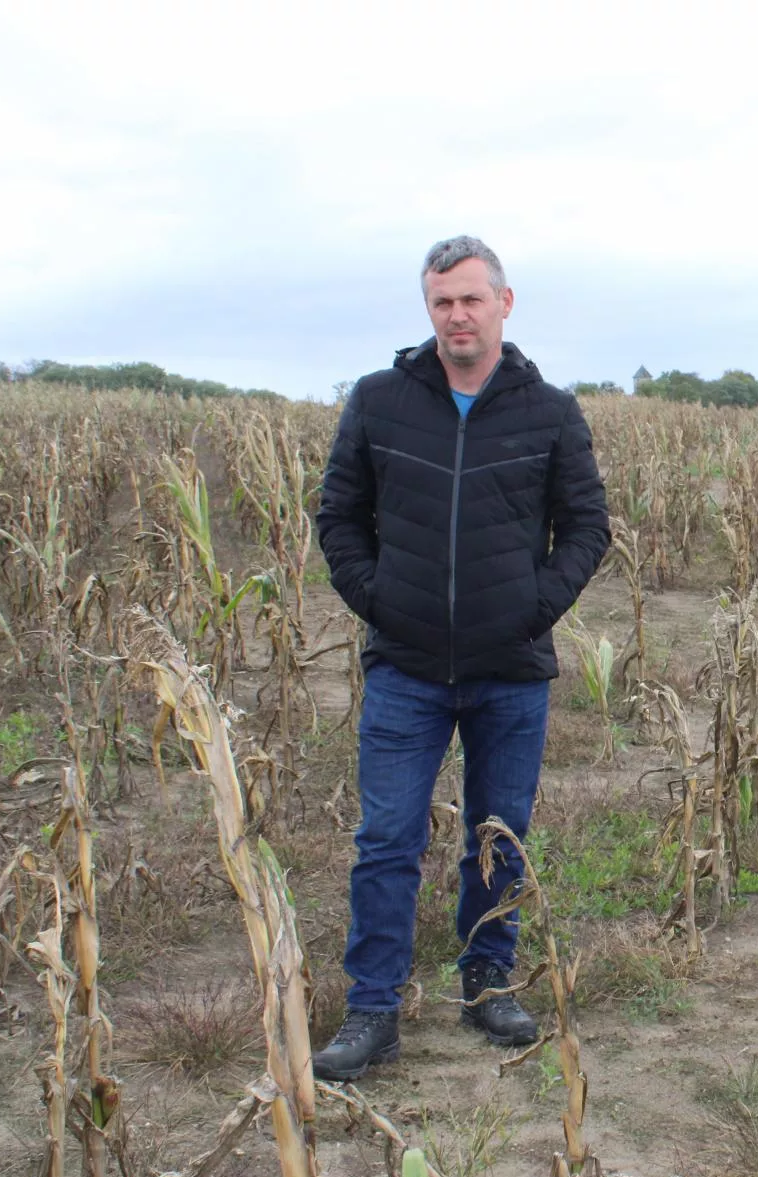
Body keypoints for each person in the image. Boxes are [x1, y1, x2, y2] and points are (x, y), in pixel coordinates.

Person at [311, 235, 610, 1081]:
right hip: (405, 667)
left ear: (504, 305)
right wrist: (379, 599)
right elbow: (338, 515)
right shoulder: (379, 402)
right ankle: (372, 1009)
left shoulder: (547, 411)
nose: (457, 316)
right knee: (387, 840)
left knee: (499, 835)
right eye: (442, 302)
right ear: (429, 311)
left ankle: (487, 983)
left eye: (472, 300)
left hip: (508, 673)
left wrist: (534, 607)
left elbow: (587, 526)